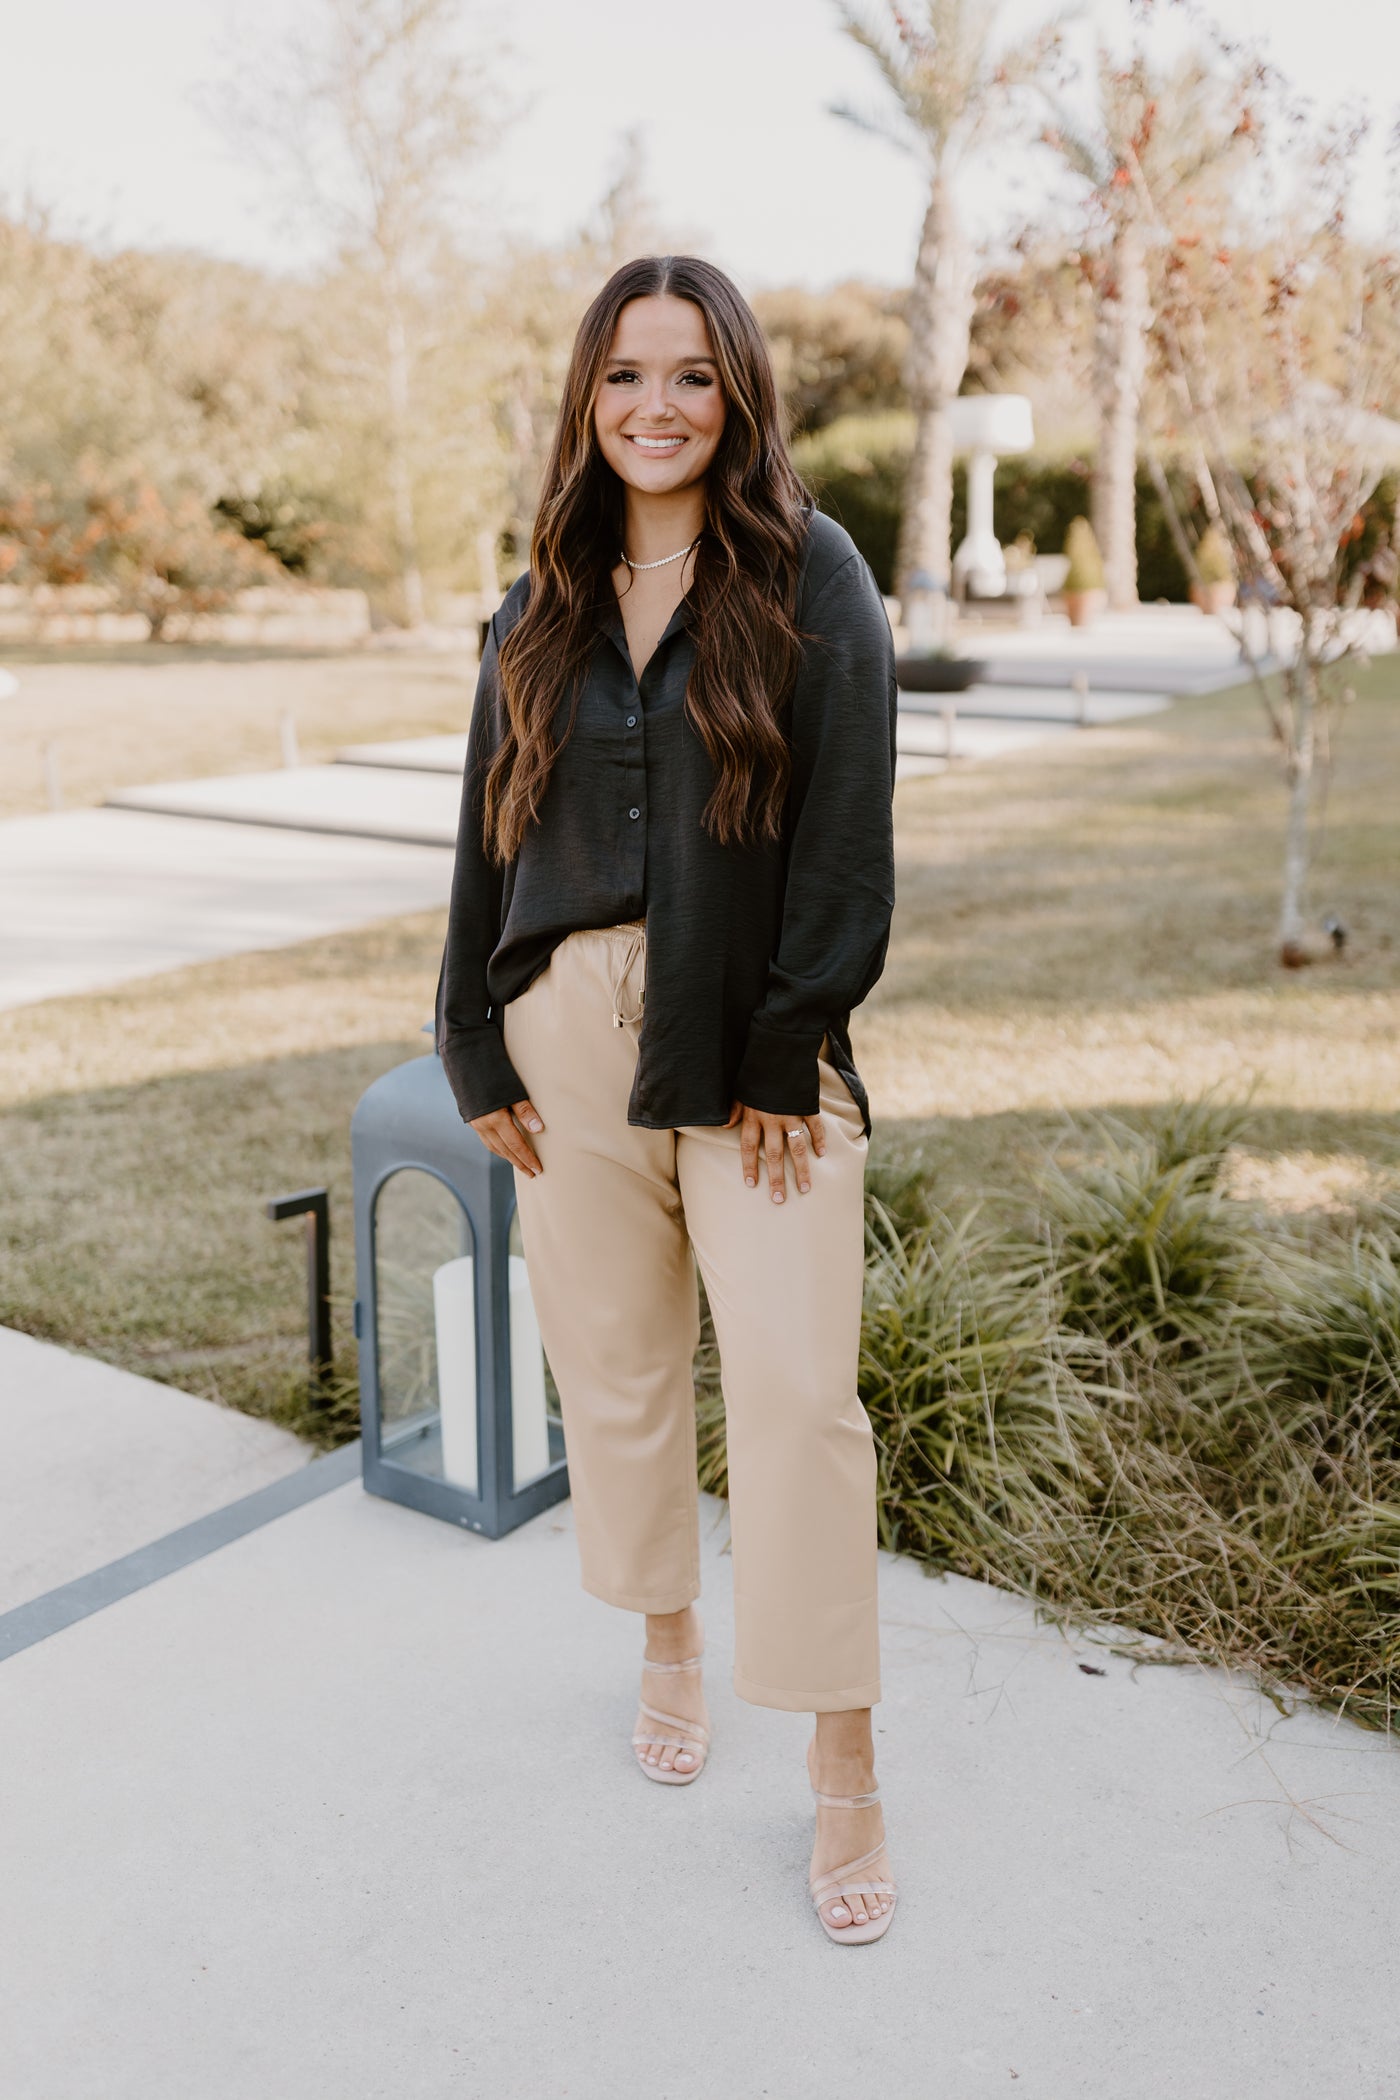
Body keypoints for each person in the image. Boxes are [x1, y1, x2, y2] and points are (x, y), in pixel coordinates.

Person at [435, 254, 899, 1944]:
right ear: (588, 396)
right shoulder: (538, 597)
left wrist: (790, 1045)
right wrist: (472, 1042)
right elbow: (488, 828)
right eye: (626, 375)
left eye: (691, 376)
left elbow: (849, 835)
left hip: (754, 1056)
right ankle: (664, 1638)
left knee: (797, 1401)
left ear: (740, 393)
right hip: (562, 1034)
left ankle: (843, 1758)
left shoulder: (810, 575)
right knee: (620, 1378)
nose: (657, 407)